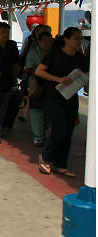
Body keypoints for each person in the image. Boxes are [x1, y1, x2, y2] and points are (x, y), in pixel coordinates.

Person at [36, 27, 89, 177]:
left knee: (68, 132)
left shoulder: (80, 57)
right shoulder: (55, 54)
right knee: (59, 129)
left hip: (71, 97)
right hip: (53, 96)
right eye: (76, 38)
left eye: (80, 38)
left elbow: (85, 74)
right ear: (66, 39)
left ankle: (61, 163)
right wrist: (59, 79)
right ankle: (45, 157)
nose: (79, 42)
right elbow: (39, 71)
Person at [26, 31, 53, 146]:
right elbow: (29, 70)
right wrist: (32, 85)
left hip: (51, 85)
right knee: (36, 111)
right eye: (45, 41)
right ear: (39, 41)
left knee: (48, 110)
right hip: (37, 83)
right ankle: (38, 136)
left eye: (49, 41)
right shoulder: (33, 53)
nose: (47, 43)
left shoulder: (54, 54)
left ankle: (45, 132)